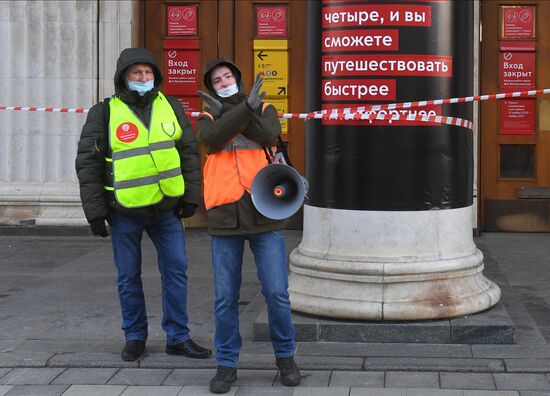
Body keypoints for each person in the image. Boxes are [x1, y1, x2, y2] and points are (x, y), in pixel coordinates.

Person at [75, 47, 211, 362]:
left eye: (148, 73)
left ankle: (178, 336)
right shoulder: (104, 112)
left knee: (176, 270)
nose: (143, 78)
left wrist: (191, 196)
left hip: (166, 208)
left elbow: (188, 152)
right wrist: (95, 211)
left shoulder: (171, 106)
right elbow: (88, 162)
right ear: (124, 76)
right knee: (128, 275)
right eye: (137, 73)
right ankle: (134, 336)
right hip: (124, 210)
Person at [196, 58, 301, 394]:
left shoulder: (265, 106)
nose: (223, 81)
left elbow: (270, 133)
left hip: (264, 211)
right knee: (226, 297)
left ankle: (286, 357)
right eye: (217, 79)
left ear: (237, 79)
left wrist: (242, 110)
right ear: (211, 87)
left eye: (227, 76)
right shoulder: (206, 113)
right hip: (225, 214)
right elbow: (211, 141)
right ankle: (226, 365)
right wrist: (243, 111)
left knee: (276, 293)